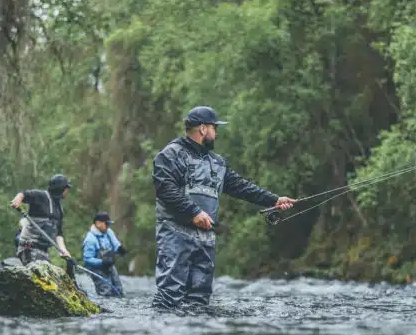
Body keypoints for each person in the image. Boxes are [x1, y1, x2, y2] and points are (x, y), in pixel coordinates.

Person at [151, 106, 296, 309]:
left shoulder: (217, 163)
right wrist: (194, 212)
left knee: (199, 300)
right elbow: (165, 190)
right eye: (214, 128)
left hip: (206, 238)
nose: (216, 133)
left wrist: (273, 200)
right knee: (169, 296)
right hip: (175, 234)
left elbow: (241, 187)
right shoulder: (170, 154)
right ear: (203, 129)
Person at [10, 174, 76, 276]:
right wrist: (17, 200)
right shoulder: (41, 196)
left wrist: (63, 251)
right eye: (66, 188)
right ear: (61, 189)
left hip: (43, 251)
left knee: (50, 277)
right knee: (41, 276)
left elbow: (59, 234)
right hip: (28, 248)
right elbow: (24, 194)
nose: (67, 191)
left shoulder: (59, 210)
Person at [81, 211, 126, 297]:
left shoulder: (108, 231)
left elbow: (115, 243)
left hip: (110, 265)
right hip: (97, 269)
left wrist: (120, 249)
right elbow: (87, 260)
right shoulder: (90, 239)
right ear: (98, 223)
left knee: (118, 291)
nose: (108, 226)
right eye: (106, 224)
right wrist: (102, 262)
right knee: (106, 292)